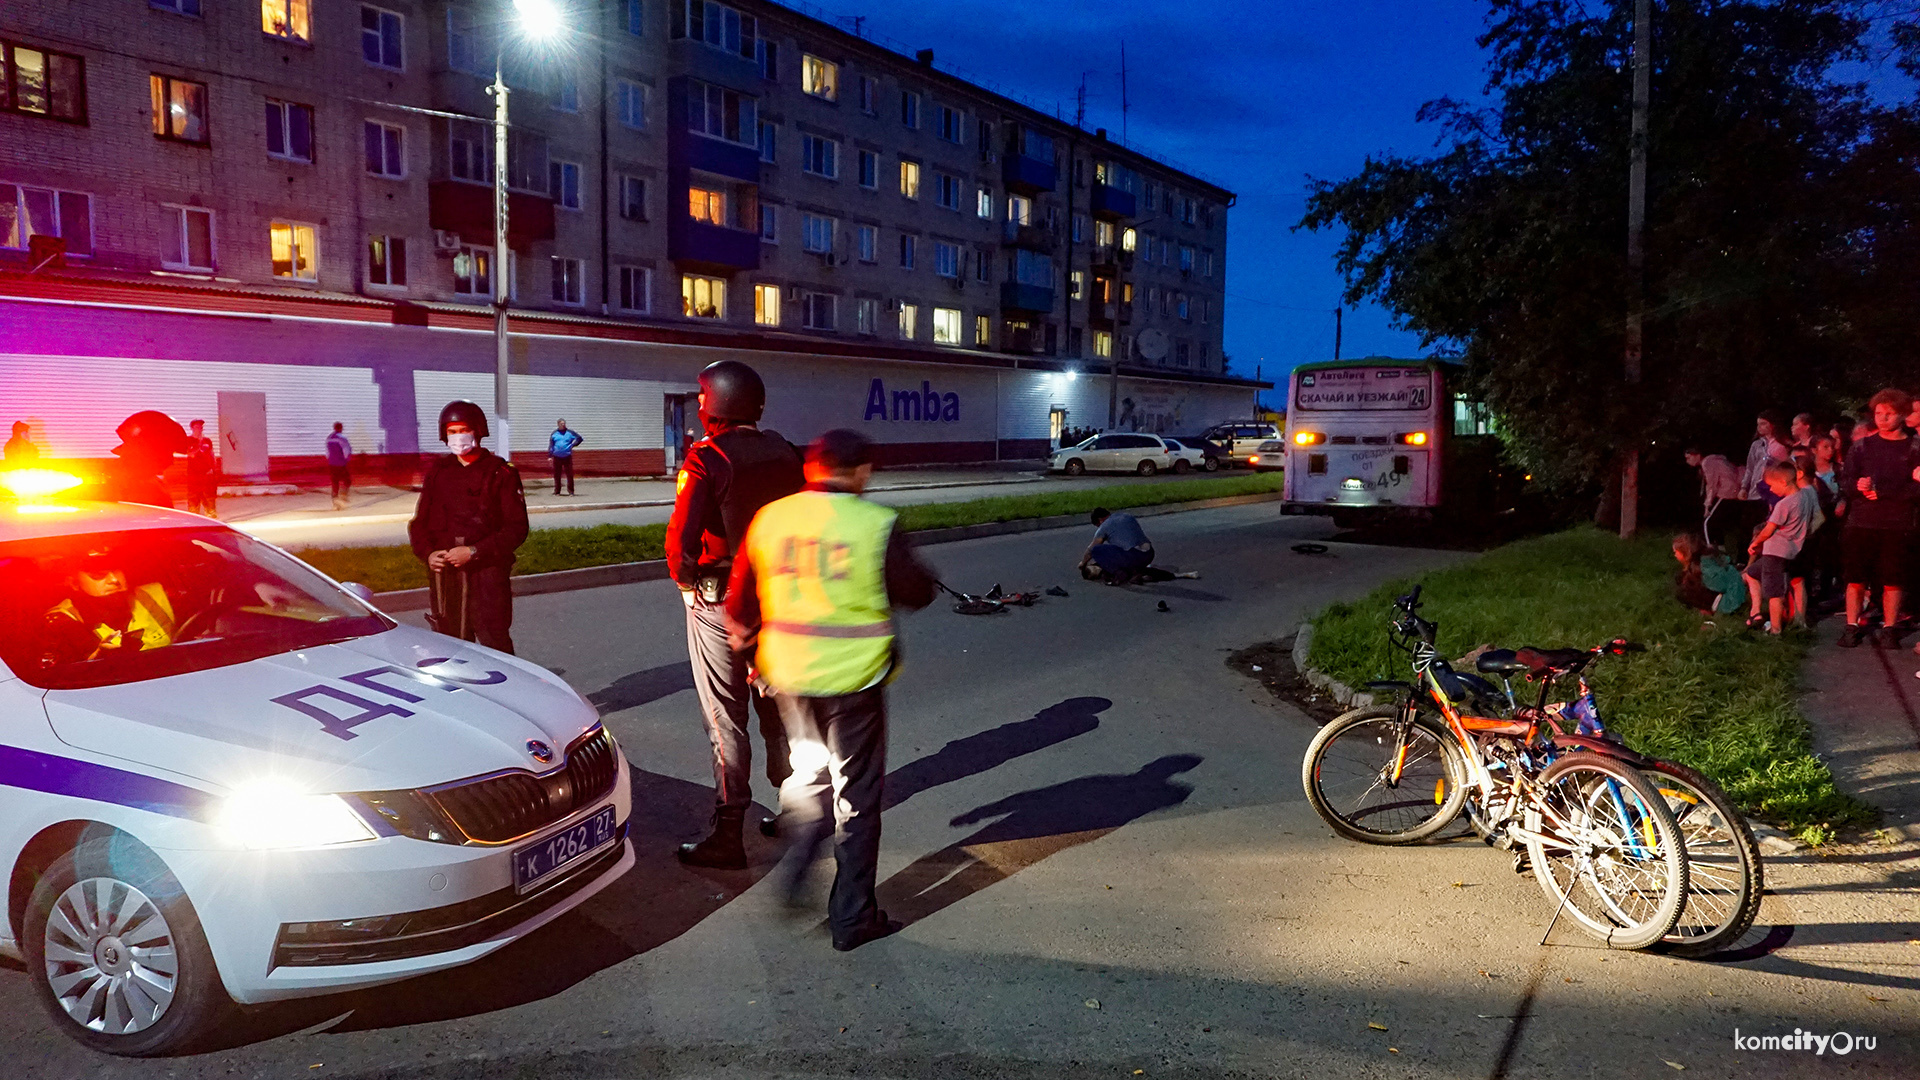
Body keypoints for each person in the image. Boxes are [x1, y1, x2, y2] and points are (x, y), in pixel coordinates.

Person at [725, 429, 937, 951]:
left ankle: (797, 868)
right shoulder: (875, 523)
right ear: (861, 471)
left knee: (811, 775)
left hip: (789, 678)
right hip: (854, 680)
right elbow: (915, 592)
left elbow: (739, 601)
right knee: (858, 798)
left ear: (810, 470)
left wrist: (752, 654)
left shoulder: (771, 517)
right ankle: (852, 919)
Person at [665, 360, 806, 868]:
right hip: (778, 597)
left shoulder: (708, 457)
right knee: (777, 705)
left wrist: (685, 583)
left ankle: (728, 834)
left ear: (717, 403)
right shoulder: (785, 451)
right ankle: (795, 807)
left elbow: (680, 539)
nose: (699, 404)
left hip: (720, 599)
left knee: (725, 717)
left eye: (703, 396)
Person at [408, 401, 529, 654]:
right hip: (446, 576)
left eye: (462, 430)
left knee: (494, 644)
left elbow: (516, 528)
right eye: (452, 432)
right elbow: (419, 524)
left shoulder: (499, 473)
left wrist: (474, 551)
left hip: (486, 576)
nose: (457, 437)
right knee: (450, 646)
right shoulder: (439, 472)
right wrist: (428, 553)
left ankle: (505, 691)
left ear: (477, 431)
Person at [1835, 388, 1920, 648]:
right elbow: (1845, 480)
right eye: (1879, 413)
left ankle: (1890, 628)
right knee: (1855, 577)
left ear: (1903, 415)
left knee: (1893, 579)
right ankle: (1851, 625)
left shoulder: (1914, 448)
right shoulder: (1862, 446)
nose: (1882, 418)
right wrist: (1857, 487)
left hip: (1897, 522)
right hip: (1861, 521)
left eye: (1889, 413)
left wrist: (1883, 492)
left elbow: (1916, 487)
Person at [42, 552, 176, 664]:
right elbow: (65, 680)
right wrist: (98, 658)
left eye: (116, 569)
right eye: (98, 574)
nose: (114, 579)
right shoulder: (61, 620)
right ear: (74, 583)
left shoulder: (154, 593)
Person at [1743, 461, 1817, 634]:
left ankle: (1775, 630)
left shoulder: (1783, 505)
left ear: (1783, 482)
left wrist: (1756, 543)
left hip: (1775, 552)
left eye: (1771, 485)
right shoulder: (1804, 497)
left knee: (1774, 593)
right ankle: (1794, 620)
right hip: (1793, 551)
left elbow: (1769, 529)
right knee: (1752, 573)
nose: (1770, 489)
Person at [1672, 533, 1747, 623]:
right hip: (1725, 595)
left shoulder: (1705, 567)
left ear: (1684, 552)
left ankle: (1708, 611)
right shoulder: (1703, 560)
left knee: (1685, 589)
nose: (1675, 555)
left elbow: (1722, 585)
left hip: (1730, 601)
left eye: (1676, 552)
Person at [1684, 447, 1748, 553]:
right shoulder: (1718, 459)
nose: (1687, 461)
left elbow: (1712, 485)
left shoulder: (1708, 463)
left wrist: (1707, 505)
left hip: (1727, 492)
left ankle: (1710, 552)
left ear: (1697, 455)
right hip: (1735, 491)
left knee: (1707, 523)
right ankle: (1721, 550)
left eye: (1688, 457)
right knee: (1716, 523)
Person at [1079, 507, 1155, 585]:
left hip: (1133, 556)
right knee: (1120, 549)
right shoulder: (1126, 516)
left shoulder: (1104, 526)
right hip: (1148, 554)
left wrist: (1083, 563)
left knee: (1096, 550)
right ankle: (1136, 572)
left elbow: (1091, 549)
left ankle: (1119, 574)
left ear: (1100, 520)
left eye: (1098, 525)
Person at [184, 419, 217, 518]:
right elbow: (190, 455)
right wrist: (198, 445)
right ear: (192, 428)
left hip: (206, 472)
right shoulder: (188, 440)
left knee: (209, 494)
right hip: (193, 473)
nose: (199, 429)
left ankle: (211, 513)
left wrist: (213, 467)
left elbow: (211, 454)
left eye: (201, 427)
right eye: (197, 427)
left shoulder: (207, 441)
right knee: (194, 494)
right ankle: (194, 514)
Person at [548, 419, 583, 496]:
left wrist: (573, 445)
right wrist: (550, 455)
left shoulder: (570, 432)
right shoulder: (554, 433)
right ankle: (557, 491)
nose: (563, 425)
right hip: (557, 456)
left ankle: (571, 491)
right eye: (561, 424)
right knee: (557, 475)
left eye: (564, 423)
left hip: (567, 456)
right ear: (558, 424)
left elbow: (579, 438)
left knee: (569, 474)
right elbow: (551, 445)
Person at [326, 422, 353, 510]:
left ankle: (335, 501)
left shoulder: (329, 438)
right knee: (347, 480)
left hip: (331, 463)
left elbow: (327, 452)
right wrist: (347, 459)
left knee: (335, 482)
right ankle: (343, 495)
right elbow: (346, 450)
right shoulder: (342, 438)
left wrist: (330, 460)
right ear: (341, 428)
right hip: (341, 463)